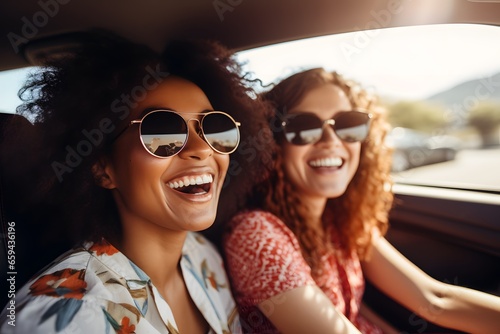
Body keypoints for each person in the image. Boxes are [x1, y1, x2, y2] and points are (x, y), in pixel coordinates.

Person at [0, 32, 272, 333]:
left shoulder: (205, 256)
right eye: (163, 131)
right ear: (102, 169)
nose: (201, 148)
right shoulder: (69, 316)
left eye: (215, 127)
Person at [222, 68, 500, 334]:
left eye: (348, 125)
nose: (330, 141)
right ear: (272, 142)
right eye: (303, 127)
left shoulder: (338, 218)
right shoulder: (255, 234)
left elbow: (436, 299)